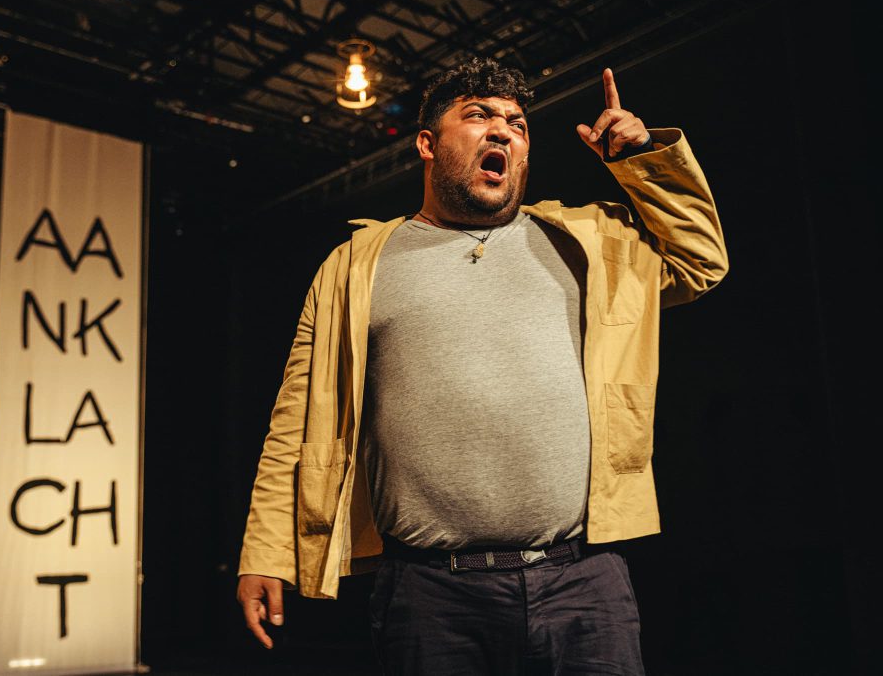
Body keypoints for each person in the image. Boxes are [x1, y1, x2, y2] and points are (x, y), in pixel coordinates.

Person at [236, 57, 727, 674]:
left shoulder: (588, 241)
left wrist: (642, 160)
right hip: (431, 595)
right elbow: (296, 420)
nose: (502, 130)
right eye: (478, 116)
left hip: (582, 583)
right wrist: (265, 552)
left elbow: (701, 261)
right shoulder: (355, 266)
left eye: (517, 124)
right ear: (427, 144)